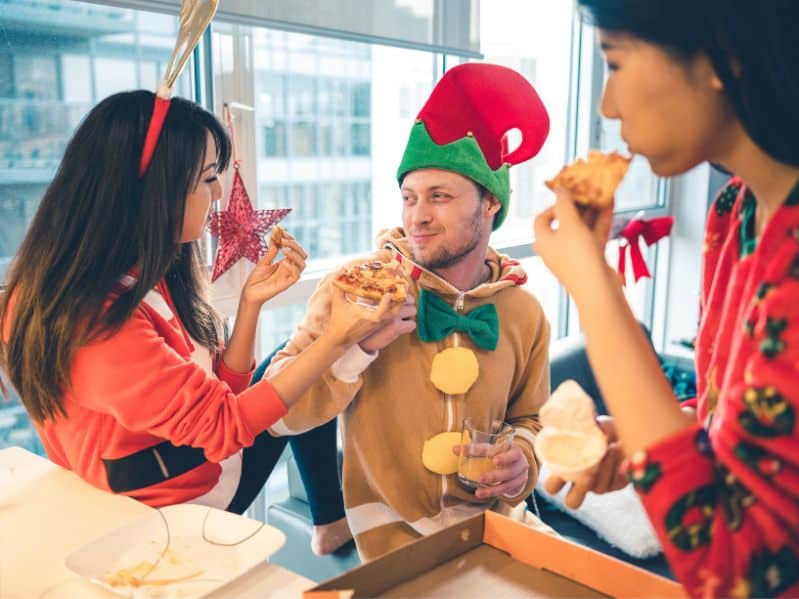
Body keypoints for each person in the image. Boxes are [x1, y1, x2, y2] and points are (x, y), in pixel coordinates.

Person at [0, 90, 401, 520]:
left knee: (298, 363)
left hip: (206, 469)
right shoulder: (93, 323)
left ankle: (329, 519)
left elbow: (221, 391)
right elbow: (225, 425)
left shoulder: (147, 272)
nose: (218, 193)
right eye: (208, 177)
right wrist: (338, 338)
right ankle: (331, 519)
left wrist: (250, 305)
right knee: (307, 360)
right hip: (175, 508)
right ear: (157, 190)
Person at [533, 1, 799, 596]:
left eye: (615, 61)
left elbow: (736, 571)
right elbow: (741, 432)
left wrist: (595, 285)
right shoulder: (735, 212)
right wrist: (646, 447)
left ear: (721, 53)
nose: (607, 105)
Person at [267, 63, 553, 560]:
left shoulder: (525, 312)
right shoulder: (356, 289)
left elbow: (533, 419)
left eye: (439, 197)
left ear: (489, 204)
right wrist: (355, 346)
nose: (417, 215)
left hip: (498, 535)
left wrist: (522, 462)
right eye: (409, 197)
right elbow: (277, 416)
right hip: (392, 546)